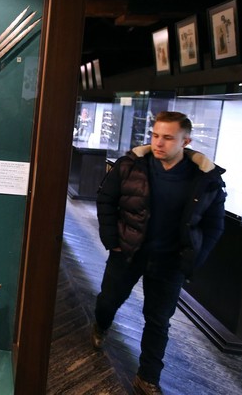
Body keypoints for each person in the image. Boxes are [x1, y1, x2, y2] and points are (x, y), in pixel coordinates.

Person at [91, 111, 226, 394]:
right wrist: (112, 240)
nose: (158, 143)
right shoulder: (131, 165)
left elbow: (214, 224)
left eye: (167, 138)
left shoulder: (204, 178)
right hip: (128, 250)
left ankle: (147, 377)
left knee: (158, 320)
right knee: (108, 301)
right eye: (155, 135)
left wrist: (193, 259)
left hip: (170, 261)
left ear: (185, 141)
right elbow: (106, 199)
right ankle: (101, 325)